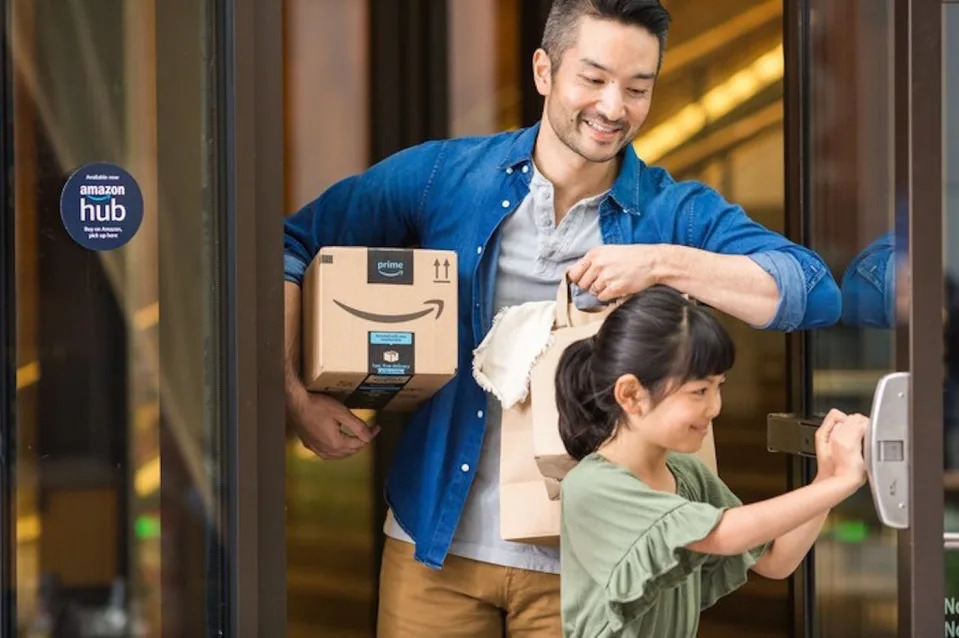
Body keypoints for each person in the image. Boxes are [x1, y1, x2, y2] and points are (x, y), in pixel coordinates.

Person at [282, 0, 841, 635]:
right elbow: (293, 244)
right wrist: (294, 396)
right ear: (544, 70)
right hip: (431, 547)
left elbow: (813, 292)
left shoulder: (671, 212)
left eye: (638, 88)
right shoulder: (449, 177)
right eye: (595, 79)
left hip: (587, 565)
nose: (613, 108)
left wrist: (662, 263)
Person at [554, 286, 867, 638]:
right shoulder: (593, 488)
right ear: (631, 394)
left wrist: (827, 477)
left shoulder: (686, 474)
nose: (716, 406)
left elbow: (776, 561)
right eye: (699, 391)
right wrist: (841, 484)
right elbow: (724, 535)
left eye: (719, 386)